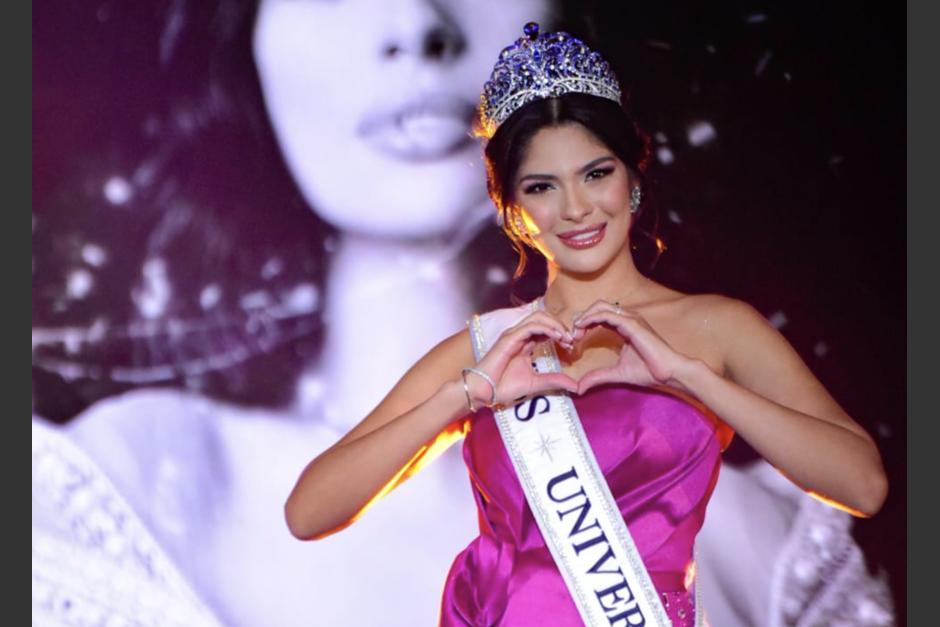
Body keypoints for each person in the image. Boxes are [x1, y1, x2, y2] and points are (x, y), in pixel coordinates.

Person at [284, 24, 889, 626]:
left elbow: (862, 485)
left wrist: (690, 378)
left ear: (632, 179)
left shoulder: (715, 328)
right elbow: (308, 512)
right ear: (514, 212)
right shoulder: (489, 350)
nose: (575, 208)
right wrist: (465, 395)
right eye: (542, 187)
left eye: (596, 174)